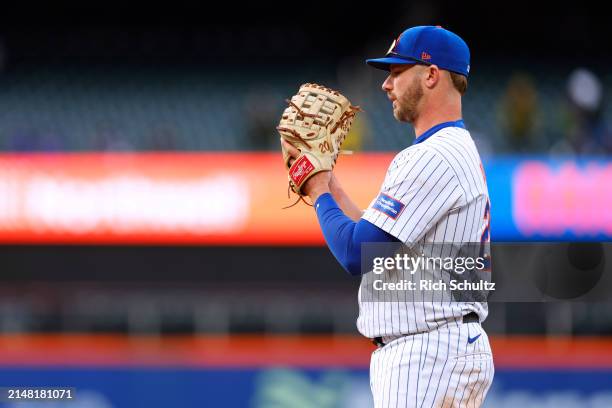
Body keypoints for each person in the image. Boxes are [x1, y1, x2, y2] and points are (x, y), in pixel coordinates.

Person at [282, 25, 494, 407]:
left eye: (397, 72)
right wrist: (328, 183)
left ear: (431, 75)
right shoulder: (449, 149)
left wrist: (316, 192)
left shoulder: (433, 156)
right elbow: (376, 234)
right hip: (438, 348)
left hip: (427, 354)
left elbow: (357, 252)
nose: (386, 84)